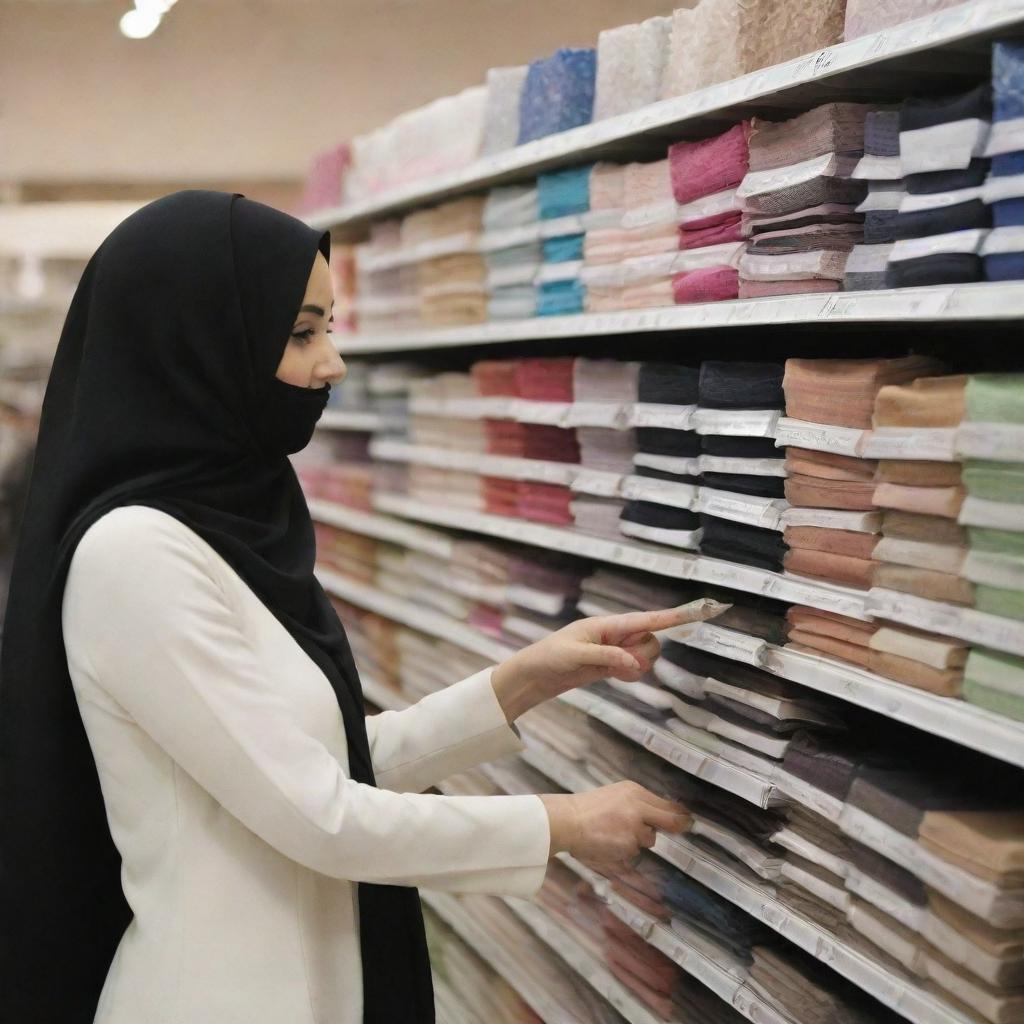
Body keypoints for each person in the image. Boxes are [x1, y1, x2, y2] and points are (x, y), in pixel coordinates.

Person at [0, 190, 726, 1024]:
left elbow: (322, 758)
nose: (332, 362)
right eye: (302, 331)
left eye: (330, 326)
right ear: (200, 343)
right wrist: (558, 823)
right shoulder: (135, 556)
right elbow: (321, 815)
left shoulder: (232, 527)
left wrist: (525, 680)